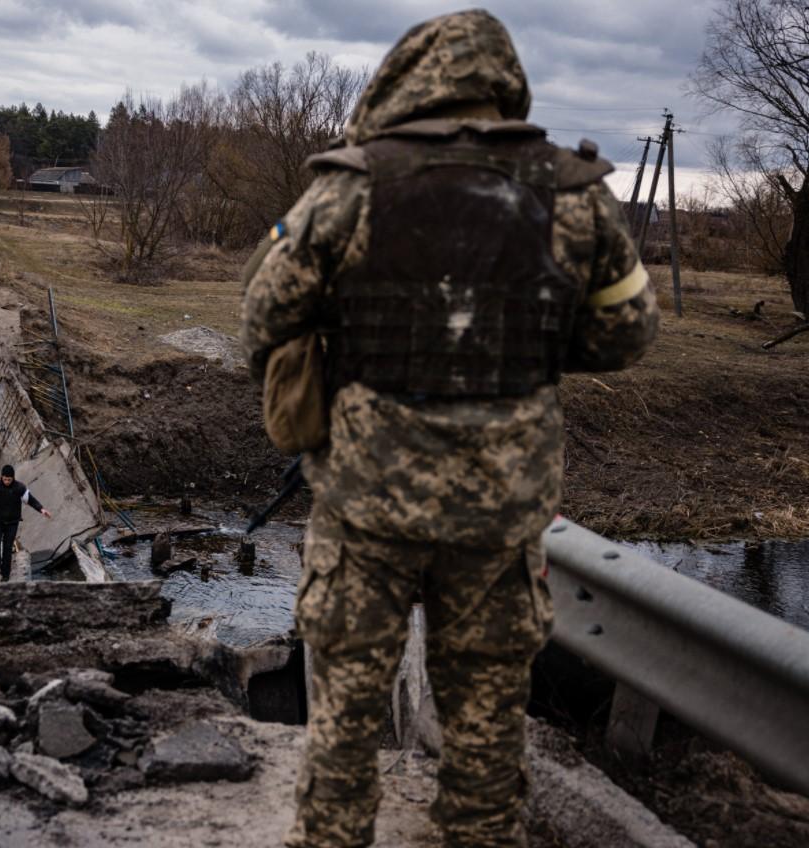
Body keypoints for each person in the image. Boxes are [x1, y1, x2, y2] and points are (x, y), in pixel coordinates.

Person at [240, 10, 659, 848]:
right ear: (505, 85)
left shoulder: (351, 185)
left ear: (405, 81)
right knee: (486, 733)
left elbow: (262, 314)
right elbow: (628, 332)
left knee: (345, 727)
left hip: (366, 509)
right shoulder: (574, 193)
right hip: (499, 514)